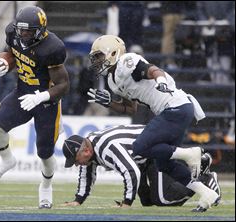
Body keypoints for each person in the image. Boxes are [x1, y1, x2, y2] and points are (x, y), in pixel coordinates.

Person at [86, 35, 220, 211]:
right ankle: (207, 192)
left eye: (99, 56)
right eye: (95, 57)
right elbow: (130, 109)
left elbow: (153, 70)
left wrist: (161, 81)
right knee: (164, 163)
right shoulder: (112, 81)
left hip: (175, 107)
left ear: (113, 52)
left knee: (139, 148)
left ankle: (191, 154)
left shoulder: (127, 61)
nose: (97, 61)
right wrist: (109, 102)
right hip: (173, 110)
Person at [0, 6, 70, 209]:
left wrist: (42, 97)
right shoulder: (12, 32)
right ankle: (7, 160)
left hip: (47, 101)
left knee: (45, 153)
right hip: (22, 92)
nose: (23, 34)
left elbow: (64, 85)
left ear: (40, 30)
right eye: (21, 29)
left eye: (28, 31)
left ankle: (46, 186)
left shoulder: (53, 47)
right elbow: (11, 55)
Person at [61, 125, 221, 211]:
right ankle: (197, 167)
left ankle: (205, 178)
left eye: (76, 160)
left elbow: (131, 172)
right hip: (143, 158)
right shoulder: (90, 149)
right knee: (147, 201)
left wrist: (126, 203)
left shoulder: (108, 147)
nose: (76, 164)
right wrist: (78, 201)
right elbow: (86, 174)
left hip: (155, 149)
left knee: (163, 199)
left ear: (87, 151)